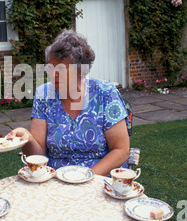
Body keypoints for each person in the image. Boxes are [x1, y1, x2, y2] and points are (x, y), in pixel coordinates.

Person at [8, 29, 130, 176]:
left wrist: (85, 178)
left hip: (99, 178)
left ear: (80, 71)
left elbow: (121, 150)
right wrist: (26, 137)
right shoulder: (44, 95)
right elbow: (38, 153)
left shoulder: (105, 93)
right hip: (55, 180)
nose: (53, 75)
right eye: (50, 68)